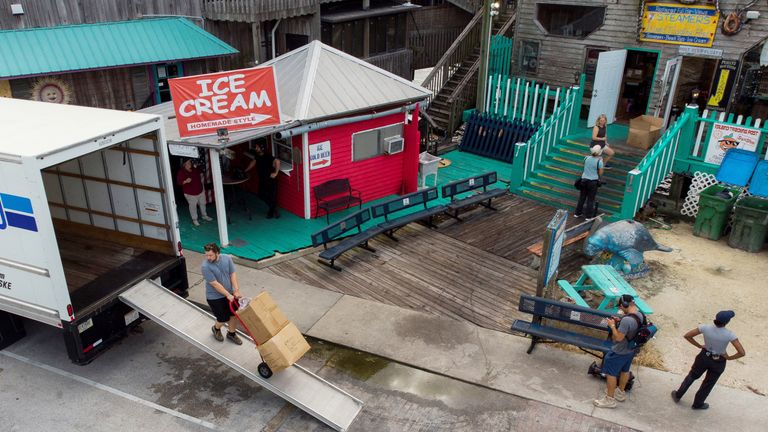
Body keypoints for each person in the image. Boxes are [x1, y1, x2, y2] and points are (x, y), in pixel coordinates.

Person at [671, 310, 746, 410]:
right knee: (708, 383)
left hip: (704, 357)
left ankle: (678, 395)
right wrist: (728, 357)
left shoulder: (705, 328)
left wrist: (699, 346)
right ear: (727, 322)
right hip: (718, 361)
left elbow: (687, 336)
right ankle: (698, 404)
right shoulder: (730, 335)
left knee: (692, 375)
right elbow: (741, 352)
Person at [594, 294, 645, 408]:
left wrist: (612, 326)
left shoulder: (627, 320)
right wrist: (620, 322)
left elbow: (618, 338)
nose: (620, 309)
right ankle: (620, 393)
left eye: (620, 307)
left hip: (620, 351)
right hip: (631, 350)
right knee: (625, 370)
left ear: (624, 305)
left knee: (611, 374)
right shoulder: (640, 315)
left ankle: (609, 400)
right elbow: (632, 328)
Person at [201, 243, 243, 345]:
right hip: (215, 297)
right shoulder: (205, 266)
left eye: (210, 255)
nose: (208, 258)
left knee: (233, 315)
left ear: (217, 253)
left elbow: (232, 274)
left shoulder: (227, 258)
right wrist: (228, 295)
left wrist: (236, 290)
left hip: (230, 293)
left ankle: (231, 334)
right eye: (206, 255)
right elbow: (215, 284)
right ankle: (216, 328)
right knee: (223, 318)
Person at [245, 142, 281, 219]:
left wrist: (276, 173)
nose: (256, 148)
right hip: (263, 179)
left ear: (262, 148)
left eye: (258, 147)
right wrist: (246, 170)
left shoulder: (268, 156)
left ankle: (271, 212)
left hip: (271, 180)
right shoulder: (257, 156)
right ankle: (274, 209)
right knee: (261, 195)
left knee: (272, 196)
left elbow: (277, 161)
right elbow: (253, 163)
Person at [176, 159, 212, 226]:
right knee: (193, 207)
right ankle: (194, 219)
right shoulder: (181, 172)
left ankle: (204, 216)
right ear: (184, 164)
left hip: (200, 190)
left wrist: (197, 167)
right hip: (190, 193)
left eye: (190, 162)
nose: (190, 163)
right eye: (188, 162)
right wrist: (185, 181)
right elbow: (179, 182)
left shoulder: (195, 168)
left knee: (203, 204)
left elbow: (202, 171)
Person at [574, 145, 604, 219]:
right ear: (599, 153)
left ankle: (577, 213)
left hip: (583, 180)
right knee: (590, 199)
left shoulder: (586, 158)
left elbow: (584, 166)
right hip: (593, 182)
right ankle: (588, 216)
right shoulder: (599, 162)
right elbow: (600, 173)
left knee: (582, 197)